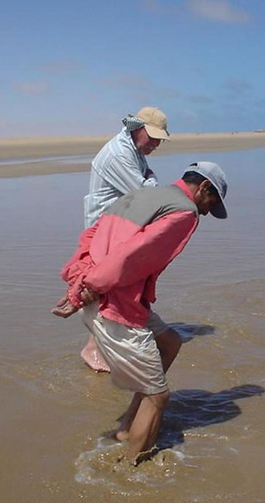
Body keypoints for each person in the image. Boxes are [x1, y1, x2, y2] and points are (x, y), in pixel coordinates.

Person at [55, 161, 228, 463]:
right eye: (211, 203)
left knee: (170, 341)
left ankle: (126, 428)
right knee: (158, 396)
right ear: (203, 188)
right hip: (112, 302)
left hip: (106, 293)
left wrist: (79, 283)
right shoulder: (185, 213)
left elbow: (90, 237)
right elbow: (132, 256)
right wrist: (88, 290)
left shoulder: (138, 196)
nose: (207, 211)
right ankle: (131, 474)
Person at [71, 106, 170, 373]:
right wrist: (150, 182)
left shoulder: (132, 149)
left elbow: (150, 181)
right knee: (102, 287)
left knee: (114, 287)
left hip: (118, 226)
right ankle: (92, 347)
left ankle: (104, 342)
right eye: (153, 138)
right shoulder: (118, 154)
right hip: (103, 230)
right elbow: (144, 191)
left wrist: (149, 181)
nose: (157, 144)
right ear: (137, 129)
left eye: (160, 139)